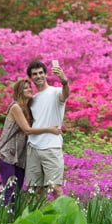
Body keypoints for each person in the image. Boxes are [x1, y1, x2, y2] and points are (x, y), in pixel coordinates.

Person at [0, 78, 61, 205]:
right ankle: (5, 221)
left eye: (30, 87)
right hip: (7, 155)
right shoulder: (15, 107)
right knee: (10, 190)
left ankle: (15, 221)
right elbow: (27, 130)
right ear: (19, 91)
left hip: (20, 157)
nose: (29, 89)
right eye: (25, 87)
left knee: (18, 192)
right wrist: (49, 129)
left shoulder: (29, 108)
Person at [25, 60, 70, 198]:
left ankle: (65, 217)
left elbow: (65, 94)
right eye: (34, 74)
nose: (38, 76)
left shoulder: (56, 92)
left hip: (51, 147)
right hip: (33, 147)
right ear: (31, 77)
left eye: (40, 73)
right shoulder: (33, 99)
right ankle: (40, 217)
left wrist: (64, 81)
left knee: (55, 187)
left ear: (45, 74)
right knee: (35, 190)